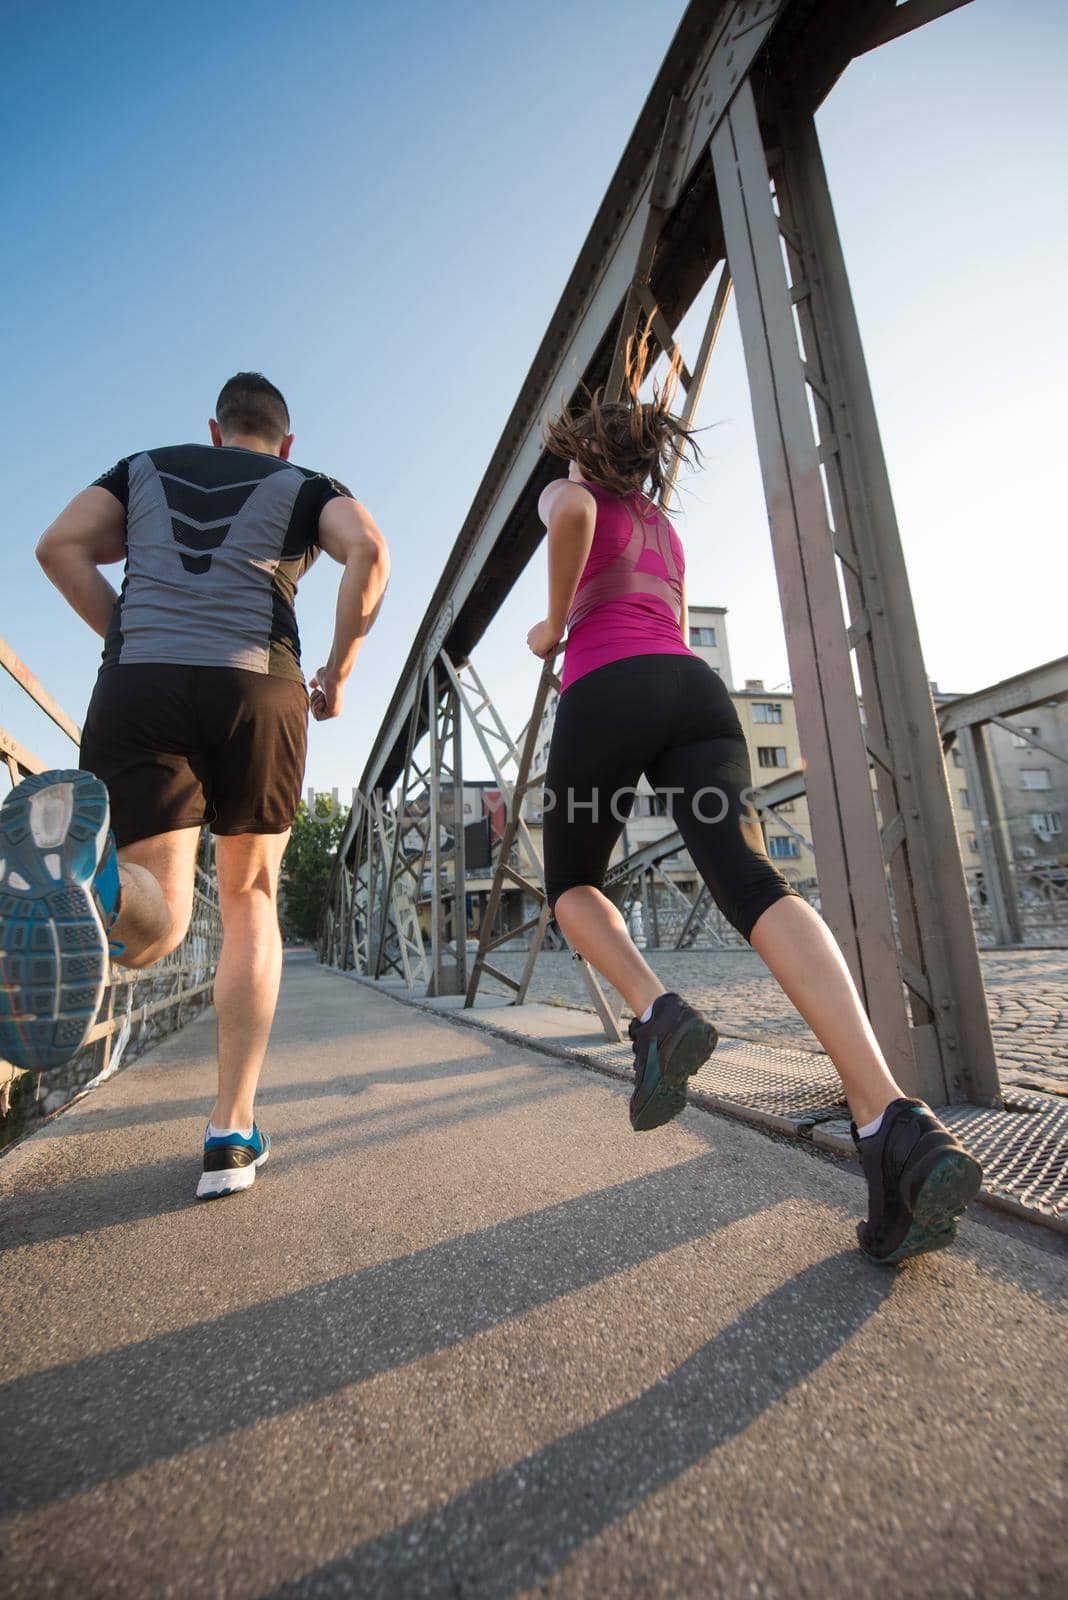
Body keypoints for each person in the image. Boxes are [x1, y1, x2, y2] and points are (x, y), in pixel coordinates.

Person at [526, 338, 982, 1265]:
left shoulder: (572, 487)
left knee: (572, 882)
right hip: (696, 694)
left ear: (582, 446)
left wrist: (549, 619)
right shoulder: (662, 524)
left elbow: (568, 508)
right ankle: (890, 1118)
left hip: (607, 691)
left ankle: (656, 1012)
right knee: (750, 878)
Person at [0, 373, 389, 1198]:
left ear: (214, 432)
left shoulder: (141, 466)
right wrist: (339, 673)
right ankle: (230, 1134)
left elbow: (56, 546)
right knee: (248, 893)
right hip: (259, 686)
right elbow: (371, 552)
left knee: (158, 921)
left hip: (140, 686)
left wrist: (132, 635)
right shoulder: (306, 486)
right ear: (285, 442)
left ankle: (96, 881)